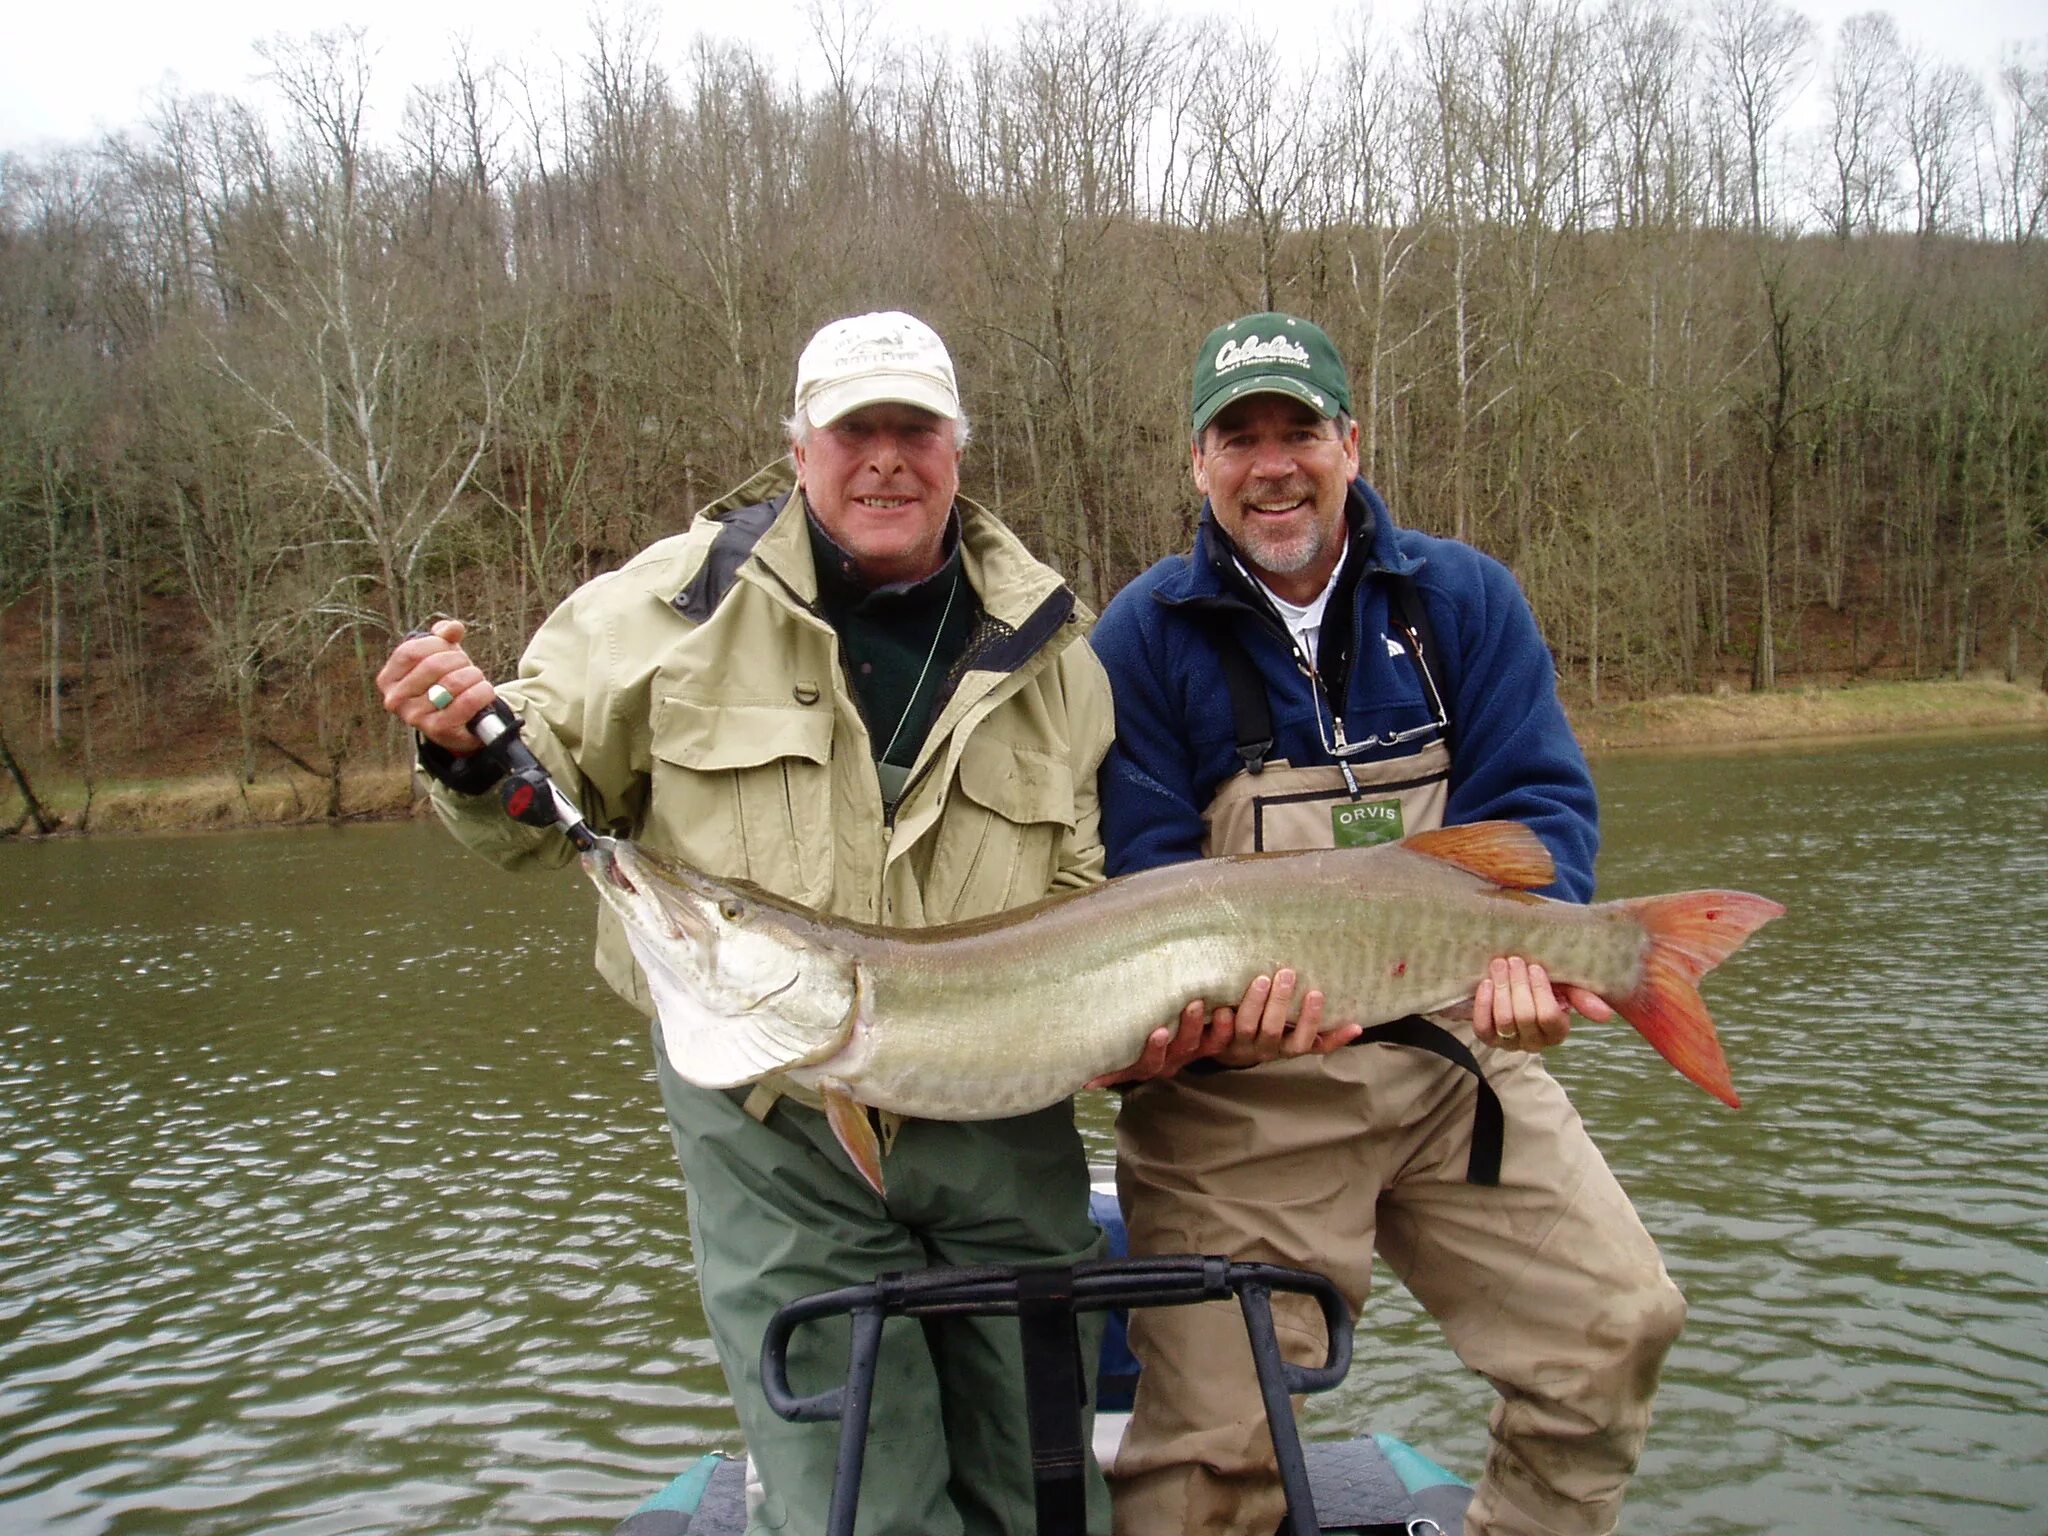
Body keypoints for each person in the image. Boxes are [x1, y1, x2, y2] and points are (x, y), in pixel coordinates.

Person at [377, 311, 1128, 1536]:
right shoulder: (662, 608)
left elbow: (1081, 893)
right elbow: (537, 793)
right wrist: (462, 742)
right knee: (865, 1507)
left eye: (912, 429)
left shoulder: (1056, 653)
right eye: (852, 429)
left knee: (1049, 1494)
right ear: (797, 450)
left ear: (956, 449)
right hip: (772, 1127)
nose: (883, 456)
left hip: (998, 1120)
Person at [1088, 312, 1686, 1536]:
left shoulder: (1461, 600)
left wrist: (1542, 946)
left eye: (1297, 430)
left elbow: (1532, 809)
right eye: (1236, 436)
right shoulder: (1137, 641)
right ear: (1195, 465)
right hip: (1236, 1106)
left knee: (1615, 1327)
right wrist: (1202, 1032)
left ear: (1349, 442)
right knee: (1209, 1463)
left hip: (1451, 1060)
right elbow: (1142, 881)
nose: (1271, 464)